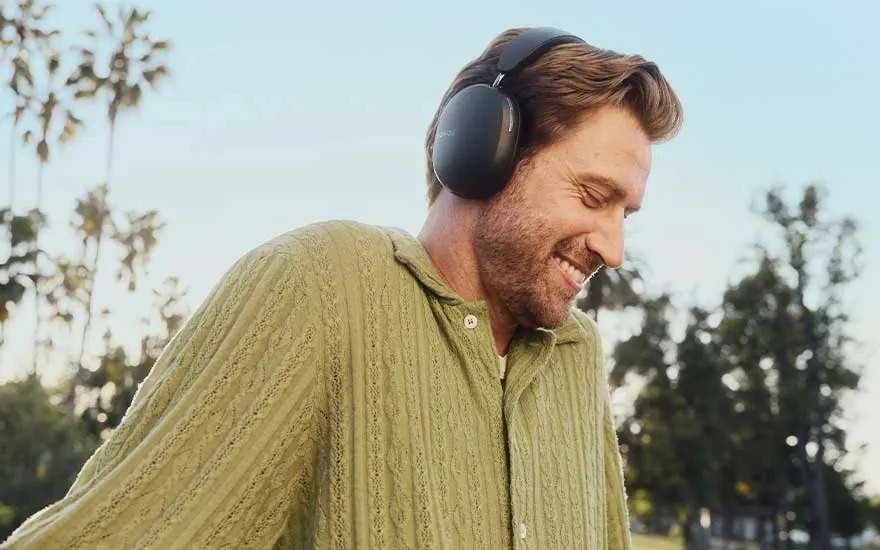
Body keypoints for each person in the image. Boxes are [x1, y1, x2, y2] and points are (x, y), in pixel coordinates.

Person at [2, 26, 682, 549]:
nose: (614, 249)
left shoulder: (577, 354)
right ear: (483, 151)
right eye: (594, 195)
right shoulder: (318, 287)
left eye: (626, 214)